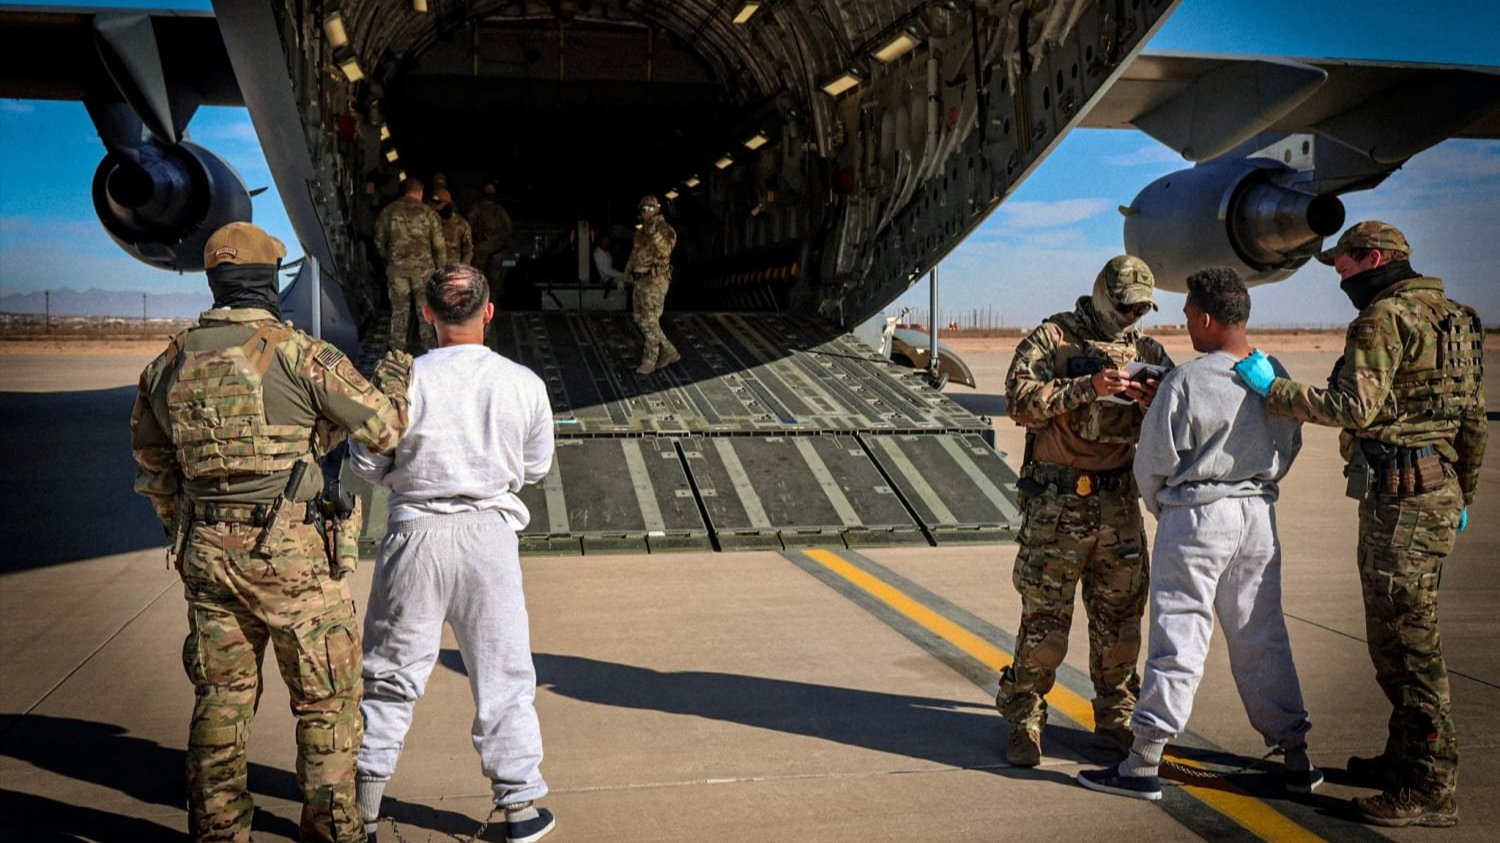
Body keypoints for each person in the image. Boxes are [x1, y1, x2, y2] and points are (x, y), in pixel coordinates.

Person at [130, 222, 410, 843]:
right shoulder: (299, 354)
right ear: (266, 281)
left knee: (222, 697)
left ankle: (218, 829)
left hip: (206, 553)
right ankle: (333, 831)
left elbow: (155, 468)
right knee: (326, 699)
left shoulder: (167, 364)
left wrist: (189, 532)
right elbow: (385, 429)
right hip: (293, 558)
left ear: (216, 281)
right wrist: (396, 375)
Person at [1236, 221, 1486, 828]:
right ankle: (1404, 758)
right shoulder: (1459, 318)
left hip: (1401, 505)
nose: (1341, 279)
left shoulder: (1382, 319)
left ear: (1373, 258)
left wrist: (1276, 390)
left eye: (1344, 267)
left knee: (1406, 645)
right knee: (1402, 637)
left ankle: (1430, 787)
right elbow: (1472, 419)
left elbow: (1353, 408)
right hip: (1437, 491)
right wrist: (1465, 494)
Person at [1076, 267, 1321, 802]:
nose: (1187, 326)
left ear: (1208, 318)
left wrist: (1170, 511)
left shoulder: (1185, 381)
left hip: (1197, 516)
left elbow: (1154, 464)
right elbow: (1291, 444)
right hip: (1257, 514)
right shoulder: (1271, 373)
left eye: (1188, 316)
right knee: (1262, 635)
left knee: (1179, 640)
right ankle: (1296, 757)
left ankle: (1142, 762)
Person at [350, 264, 557, 843]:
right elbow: (536, 467)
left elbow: (366, 461)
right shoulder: (523, 383)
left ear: (427, 315)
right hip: (489, 536)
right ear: (489, 312)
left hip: (414, 534)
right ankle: (518, 808)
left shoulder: (402, 381)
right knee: (504, 675)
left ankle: (362, 809)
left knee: (389, 675)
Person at [997, 255, 1173, 766]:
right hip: (1057, 505)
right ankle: (1025, 718)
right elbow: (1018, 400)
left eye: (1141, 309)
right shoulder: (1053, 338)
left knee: (1120, 623)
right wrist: (1087, 388)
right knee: (1045, 624)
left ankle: (1116, 719)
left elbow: (1178, 418)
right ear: (1102, 293)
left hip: (1117, 505)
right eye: (1124, 306)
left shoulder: (1148, 350)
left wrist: (1152, 399)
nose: (1131, 317)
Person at [375, 178, 446, 353]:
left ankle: (396, 352)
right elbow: (439, 246)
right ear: (420, 192)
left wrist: (390, 259)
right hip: (423, 272)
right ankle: (429, 349)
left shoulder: (389, 211)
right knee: (425, 311)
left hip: (397, 271)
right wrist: (440, 271)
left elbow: (378, 240)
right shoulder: (428, 213)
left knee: (399, 311)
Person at [622, 194, 679, 374]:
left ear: (657, 209)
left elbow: (664, 250)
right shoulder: (641, 232)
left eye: (649, 208)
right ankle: (669, 350)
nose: (645, 212)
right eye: (643, 209)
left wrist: (653, 231)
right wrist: (626, 275)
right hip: (640, 280)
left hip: (655, 280)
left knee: (650, 321)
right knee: (640, 319)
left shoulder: (665, 229)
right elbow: (634, 254)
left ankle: (650, 359)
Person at [470, 181, 514, 303]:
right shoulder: (477, 208)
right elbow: (470, 224)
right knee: (478, 278)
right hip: (481, 249)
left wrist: (499, 240)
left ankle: (493, 303)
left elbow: (508, 228)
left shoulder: (499, 210)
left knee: (494, 280)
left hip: (496, 249)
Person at [430, 188, 474, 265]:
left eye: (440, 205)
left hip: (452, 268)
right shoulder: (428, 222)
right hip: (432, 268)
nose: (436, 210)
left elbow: (467, 249)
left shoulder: (461, 224)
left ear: (448, 205)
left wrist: (463, 268)